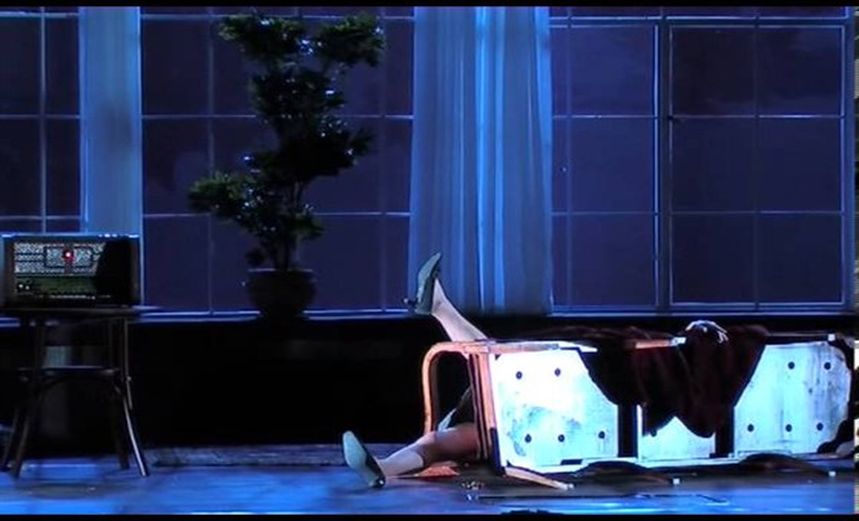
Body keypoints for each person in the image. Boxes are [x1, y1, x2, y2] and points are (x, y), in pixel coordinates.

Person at [342, 252, 484, 488]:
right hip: (502, 422)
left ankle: (440, 307)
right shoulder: (472, 428)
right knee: (435, 441)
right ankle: (383, 468)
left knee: (497, 364)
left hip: (518, 423)